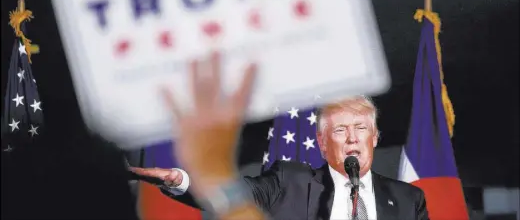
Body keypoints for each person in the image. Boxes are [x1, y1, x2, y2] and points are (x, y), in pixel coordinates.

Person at [129, 52, 430, 220]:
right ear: (323, 144)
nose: (352, 138)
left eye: (360, 128)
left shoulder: (407, 200)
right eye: (340, 130)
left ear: (375, 137)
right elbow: (234, 197)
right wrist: (183, 181)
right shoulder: (289, 182)